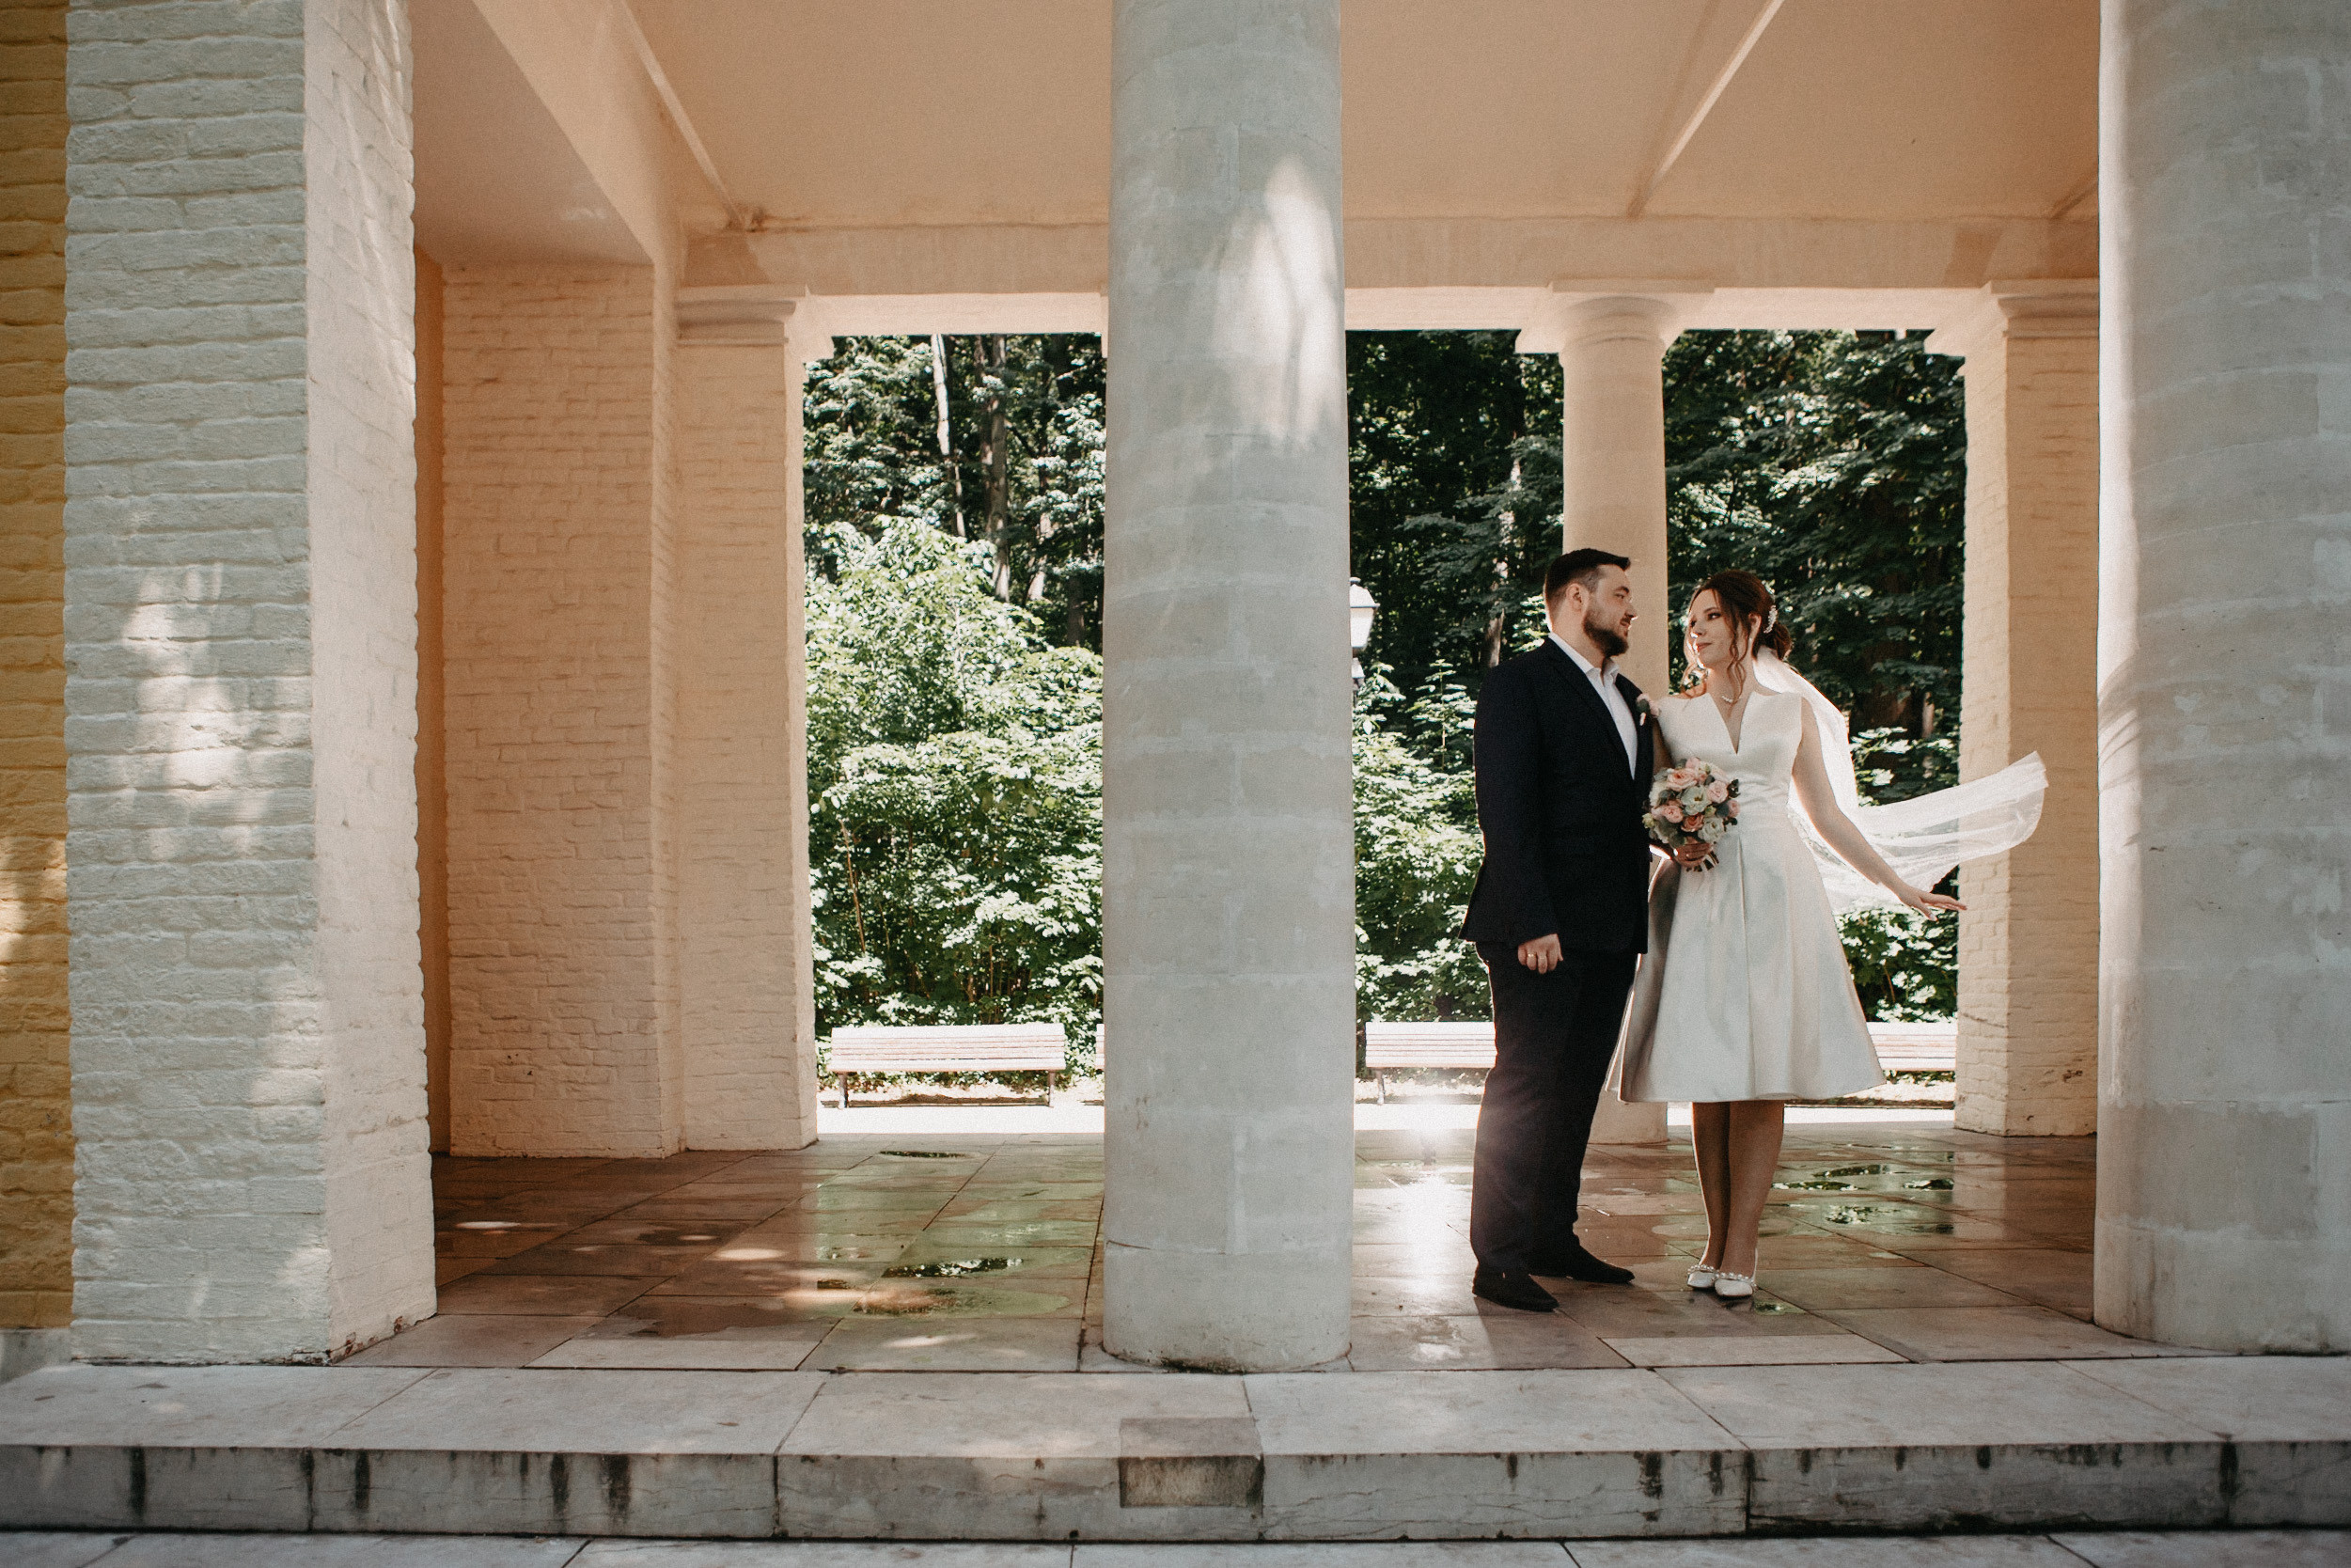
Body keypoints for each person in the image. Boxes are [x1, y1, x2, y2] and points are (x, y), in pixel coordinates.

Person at [1617, 570, 2041, 1300]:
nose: (1697, 630)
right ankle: (1712, 1240)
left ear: (1750, 624)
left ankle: (1742, 1249)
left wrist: (1898, 885)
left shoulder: (1792, 713)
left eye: (1712, 616)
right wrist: (1671, 841)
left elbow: (1829, 818)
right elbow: (1650, 807)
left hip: (1779, 888)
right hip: (1700, 890)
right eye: (1691, 621)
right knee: (1711, 1075)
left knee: (1762, 1073)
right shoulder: (1668, 712)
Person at [1459, 549, 1656, 1313]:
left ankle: (1550, 1236)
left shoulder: (1630, 696)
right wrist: (1534, 920)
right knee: (1524, 1088)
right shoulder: (1520, 685)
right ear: (1577, 599)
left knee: (1575, 1092)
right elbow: (1503, 812)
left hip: (1610, 926)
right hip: (1537, 926)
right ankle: (1498, 1258)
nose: (1631, 609)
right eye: (1621, 596)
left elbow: (1614, 812)